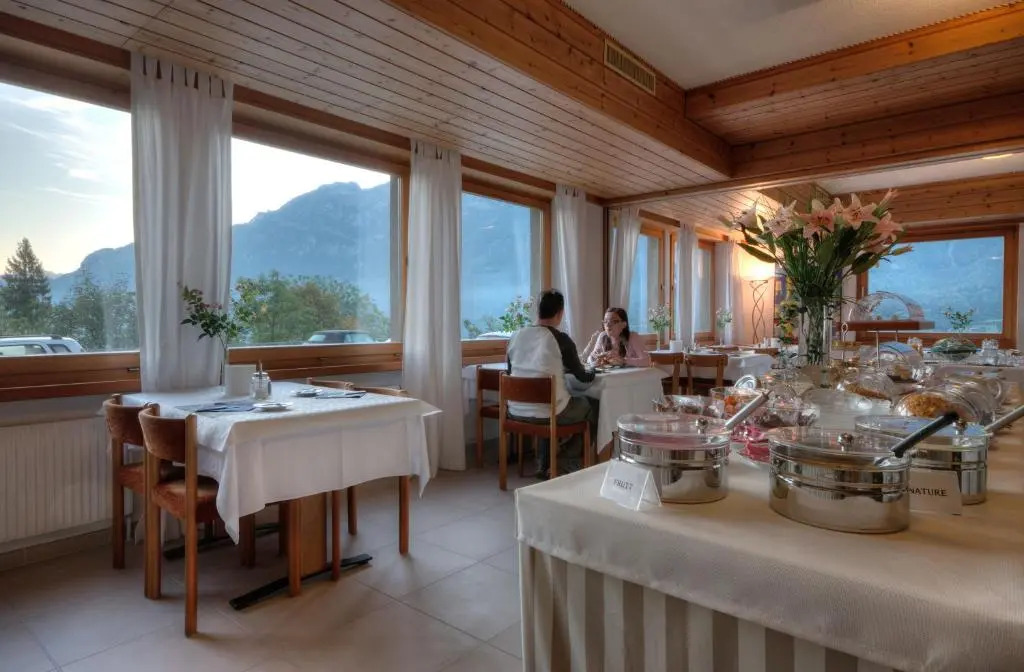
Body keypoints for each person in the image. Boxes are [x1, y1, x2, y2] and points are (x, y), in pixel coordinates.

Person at [506, 289, 598, 479]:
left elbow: (510, 372)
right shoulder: (560, 339)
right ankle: (566, 460)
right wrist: (593, 368)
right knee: (593, 406)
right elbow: (583, 377)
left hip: (515, 410)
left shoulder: (515, 336)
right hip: (550, 411)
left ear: (537, 311)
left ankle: (544, 465)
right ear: (560, 312)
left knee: (545, 404)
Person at [581, 307, 651, 368]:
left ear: (624, 324)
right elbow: (590, 357)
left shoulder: (632, 337)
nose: (608, 325)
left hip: (632, 376)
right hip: (611, 375)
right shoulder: (602, 336)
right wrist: (595, 360)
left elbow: (647, 361)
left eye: (613, 321)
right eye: (605, 321)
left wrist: (623, 360)